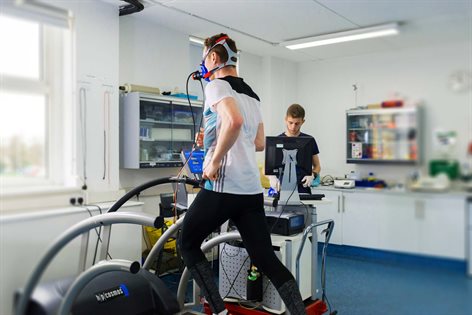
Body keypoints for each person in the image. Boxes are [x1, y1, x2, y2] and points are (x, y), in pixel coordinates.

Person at [180, 33, 306, 315]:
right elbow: (259, 143)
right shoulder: (251, 94)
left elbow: (234, 121)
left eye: (204, 57)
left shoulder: (215, 86)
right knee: (264, 258)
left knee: (187, 243)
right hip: (250, 190)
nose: (203, 63)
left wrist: (213, 163)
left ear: (213, 57)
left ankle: (220, 311)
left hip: (223, 186)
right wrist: (212, 136)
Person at [273, 104, 321, 194]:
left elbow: (317, 166)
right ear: (285, 119)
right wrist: (271, 178)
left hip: (303, 189)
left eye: (297, 123)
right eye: (290, 122)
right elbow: (266, 167)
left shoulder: (309, 141)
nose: (293, 127)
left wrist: (312, 174)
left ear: (303, 121)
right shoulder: (276, 141)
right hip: (282, 189)